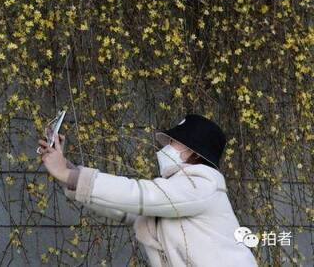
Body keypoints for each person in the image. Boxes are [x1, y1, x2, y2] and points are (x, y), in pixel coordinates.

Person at [38, 113, 258, 266]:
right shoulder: (177, 191)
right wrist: (67, 169)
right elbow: (126, 208)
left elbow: (139, 195)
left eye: (173, 141)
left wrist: (68, 174)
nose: (166, 146)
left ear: (194, 153)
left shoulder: (203, 184)